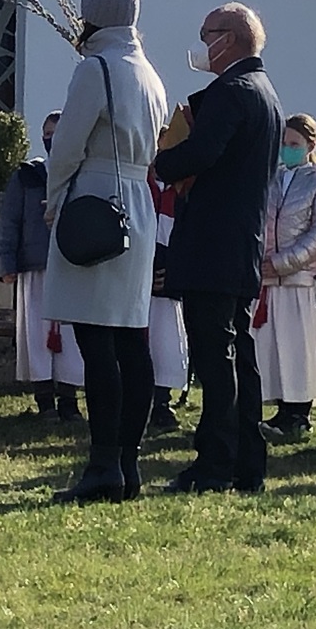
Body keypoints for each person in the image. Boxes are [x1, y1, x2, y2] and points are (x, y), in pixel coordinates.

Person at [43, 0, 168, 502]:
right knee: (130, 339)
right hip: (138, 202)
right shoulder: (150, 73)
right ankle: (128, 463)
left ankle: (103, 465)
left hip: (96, 199)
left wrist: (54, 199)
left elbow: (68, 144)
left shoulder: (95, 68)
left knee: (96, 343)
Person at [152, 3, 283, 494]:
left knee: (215, 358)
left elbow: (203, 153)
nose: (202, 43)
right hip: (239, 243)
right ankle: (248, 462)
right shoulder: (264, 91)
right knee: (238, 355)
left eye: (207, 33)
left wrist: (161, 159)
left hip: (213, 242)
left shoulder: (232, 90)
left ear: (228, 39)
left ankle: (214, 464)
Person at [252, 113, 316, 442]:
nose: (287, 149)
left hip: (301, 281)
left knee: (300, 350)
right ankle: (282, 408)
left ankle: (299, 413)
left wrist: (283, 262)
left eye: (294, 143)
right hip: (270, 281)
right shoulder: (272, 179)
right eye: (283, 143)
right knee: (275, 348)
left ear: (311, 145)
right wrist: (261, 261)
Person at [0, 110, 84, 421]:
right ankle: (45, 401)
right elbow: (9, 222)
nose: (51, 140)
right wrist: (6, 262)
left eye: (57, 134)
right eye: (47, 134)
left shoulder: (82, 175)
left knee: (72, 338)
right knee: (37, 336)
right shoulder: (28, 176)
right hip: (35, 267)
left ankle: (69, 401)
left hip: (73, 268)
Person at [146, 169, 187, 434]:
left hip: (169, 280)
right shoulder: (140, 184)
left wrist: (173, 272)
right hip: (137, 277)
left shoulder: (183, 190)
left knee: (166, 343)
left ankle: (162, 401)